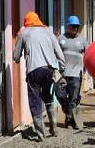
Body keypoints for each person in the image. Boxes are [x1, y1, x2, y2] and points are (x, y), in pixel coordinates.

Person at [12, 11, 65, 141]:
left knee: (35, 100)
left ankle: (41, 134)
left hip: (33, 71)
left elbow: (16, 56)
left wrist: (18, 55)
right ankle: (54, 127)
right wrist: (62, 67)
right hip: (49, 70)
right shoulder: (48, 31)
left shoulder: (24, 33)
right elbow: (58, 50)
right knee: (48, 97)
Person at [56, 15, 88, 129]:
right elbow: (54, 52)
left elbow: (88, 56)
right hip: (62, 74)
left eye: (77, 27)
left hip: (76, 75)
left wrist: (86, 71)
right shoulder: (60, 39)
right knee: (59, 94)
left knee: (73, 99)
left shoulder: (82, 41)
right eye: (73, 27)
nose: (75, 29)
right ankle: (68, 112)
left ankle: (70, 121)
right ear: (68, 27)